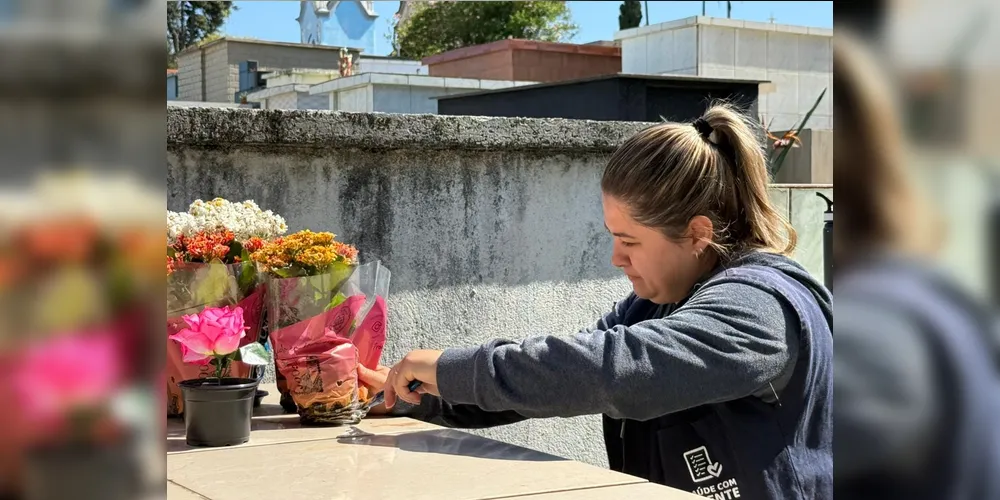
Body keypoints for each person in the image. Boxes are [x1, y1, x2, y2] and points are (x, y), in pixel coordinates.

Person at [360, 103, 833, 499]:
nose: (616, 258)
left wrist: (451, 368)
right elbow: (559, 376)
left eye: (629, 241)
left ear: (696, 234)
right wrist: (417, 395)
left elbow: (615, 370)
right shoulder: (653, 306)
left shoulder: (761, 310)